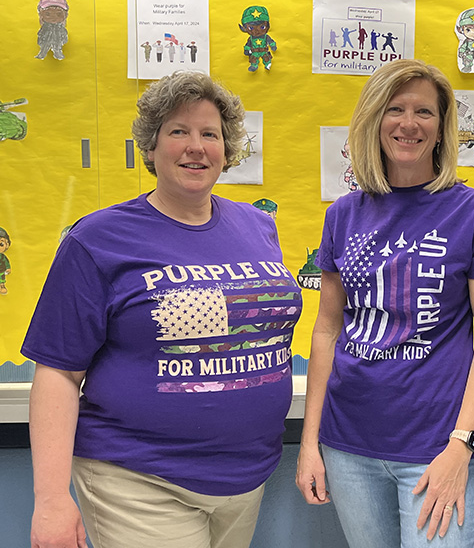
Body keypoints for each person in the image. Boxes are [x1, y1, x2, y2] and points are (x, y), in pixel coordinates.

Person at [23, 71, 302, 548]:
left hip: (246, 475)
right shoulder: (98, 239)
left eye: (209, 134)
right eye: (178, 132)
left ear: (226, 149)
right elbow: (58, 372)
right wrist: (50, 498)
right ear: (150, 148)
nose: (196, 146)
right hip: (138, 477)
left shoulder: (259, 227)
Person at [295, 59, 474, 547]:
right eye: (394, 109)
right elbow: (326, 331)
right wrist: (310, 443)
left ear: (441, 128)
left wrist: (463, 445)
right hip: (348, 443)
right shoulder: (343, 214)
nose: (408, 123)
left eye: (425, 112)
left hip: (439, 444)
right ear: (374, 120)